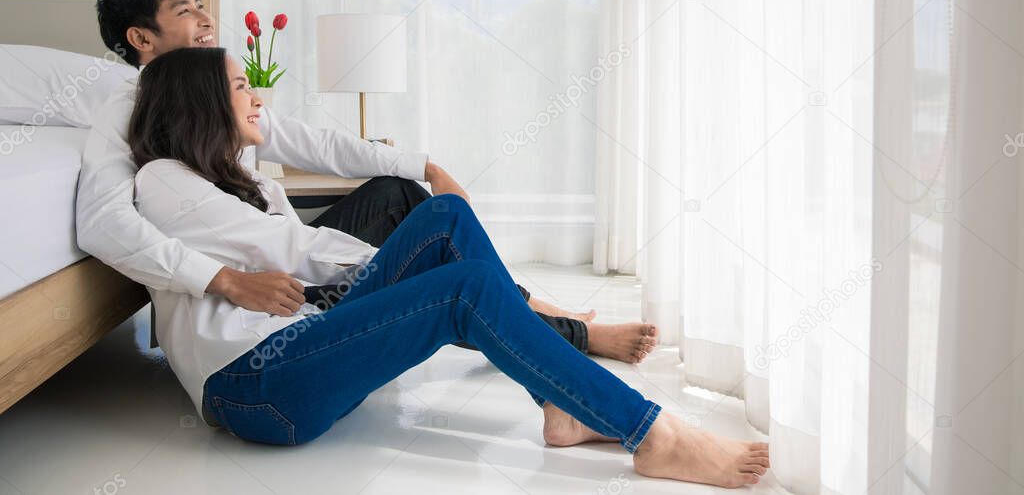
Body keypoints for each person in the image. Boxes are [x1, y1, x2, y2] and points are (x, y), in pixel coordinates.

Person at [125, 46, 770, 488]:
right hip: (256, 388)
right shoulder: (162, 180)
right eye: (240, 85)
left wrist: (414, 241)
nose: (257, 96)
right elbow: (290, 252)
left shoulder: (250, 180)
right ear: (202, 104)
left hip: (301, 344)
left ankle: (562, 405)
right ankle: (650, 434)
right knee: (462, 284)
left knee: (444, 220)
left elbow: (304, 252)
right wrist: (402, 271)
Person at [75, 0, 658, 363]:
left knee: (399, 193)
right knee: (429, 271)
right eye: (185, 10)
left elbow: (317, 144)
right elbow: (105, 223)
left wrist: (423, 164)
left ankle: (528, 309)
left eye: (202, 5)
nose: (205, 19)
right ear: (142, 38)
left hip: (286, 252)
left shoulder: (214, 97)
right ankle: (566, 334)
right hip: (264, 278)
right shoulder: (124, 114)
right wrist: (223, 278)